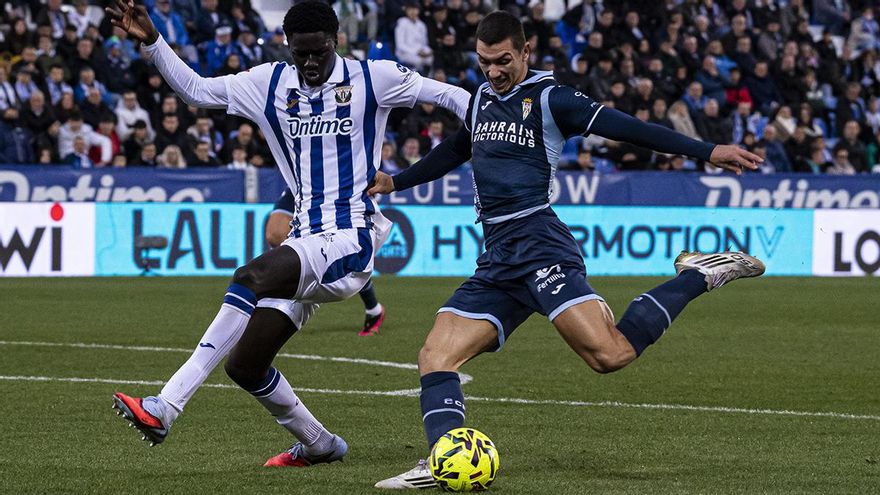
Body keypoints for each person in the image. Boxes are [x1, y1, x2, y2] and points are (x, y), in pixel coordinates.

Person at [369, 11, 766, 489]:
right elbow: (455, 150)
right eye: (483, 62)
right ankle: (443, 458)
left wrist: (706, 151)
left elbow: (626, 127)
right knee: (434, 355)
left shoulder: (551, 98)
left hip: (540, 246)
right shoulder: (479, 100)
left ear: (526, 51)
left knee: (609, 355)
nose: (492, 72)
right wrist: (397, 180)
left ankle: (699, 274)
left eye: (503, 61)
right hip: (497, 258)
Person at [105, 0, 469, 467]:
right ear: (288, 47)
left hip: (350, 236)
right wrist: (154, 43)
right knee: (246, 364)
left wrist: (488, 127)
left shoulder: (374, 77)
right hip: (304, 239)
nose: (311, 62)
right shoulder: (268, 83)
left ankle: (165, 406)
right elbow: (196, 91)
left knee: (250, 276)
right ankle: (319, 444)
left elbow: (452, 96)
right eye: (301, 53)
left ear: (335, 41)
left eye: (319, 52)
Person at [266, 187, 386, 336]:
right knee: (275, 233)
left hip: (332, 181)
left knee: (331, 243)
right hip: (300, 178)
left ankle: (373, 308)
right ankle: (284, 300)